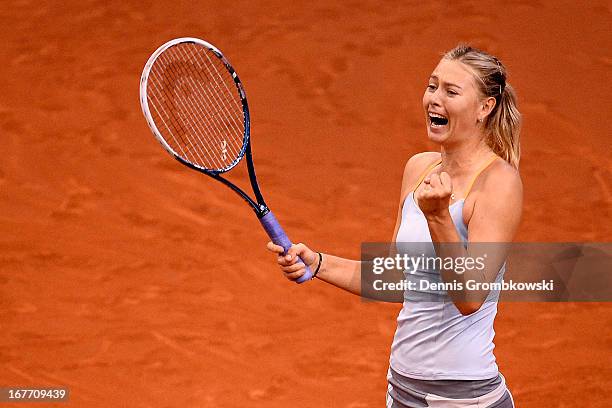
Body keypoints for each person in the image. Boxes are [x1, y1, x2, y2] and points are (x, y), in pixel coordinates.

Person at [266, 44, 522, 408]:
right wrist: (319, 263)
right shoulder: (419, 168)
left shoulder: (498, 183)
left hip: (464, 399)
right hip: (402, 390)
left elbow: (470, 298)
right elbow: (396, 279)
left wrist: (437, 217)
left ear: (485, 107)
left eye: (451, 91)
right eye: (432, 86)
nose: (434, 99)